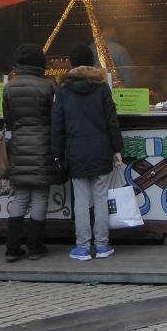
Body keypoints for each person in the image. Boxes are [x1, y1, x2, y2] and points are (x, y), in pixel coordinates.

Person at [51, 43, 123, 261]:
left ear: (71, 63)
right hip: (101, 149)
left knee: (81, 200)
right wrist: (117, 148)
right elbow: (112, 121)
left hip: (75, 151)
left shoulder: (63, 91)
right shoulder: (102, 88)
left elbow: (57, 126)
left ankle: (82, 247)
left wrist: (57, 153)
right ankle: (102, 245)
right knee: (101, 198)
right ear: (92, 62)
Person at [2, 43, 60, 262]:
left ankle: (12, 248)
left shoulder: (9, 86)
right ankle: (35, 247)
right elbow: (55, 118)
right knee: (39, 195)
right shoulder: (48, 86)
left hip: (19, 144)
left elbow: (8, 119)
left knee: (20, 196)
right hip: (42, 144)